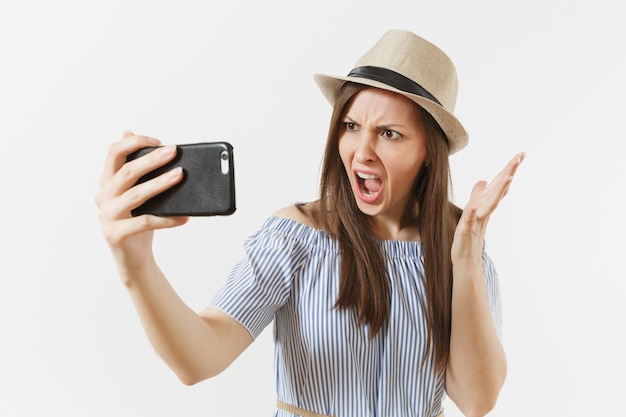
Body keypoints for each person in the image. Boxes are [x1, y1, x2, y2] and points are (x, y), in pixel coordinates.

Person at [96, 29, 524, 417]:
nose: (362, 152)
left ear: (430, 151)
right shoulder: (295, 239)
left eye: (390, 133)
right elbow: (199, 359)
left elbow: (475, 399)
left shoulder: (460, 255)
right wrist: (137, 267)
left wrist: (465, 256)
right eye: (352, 126)